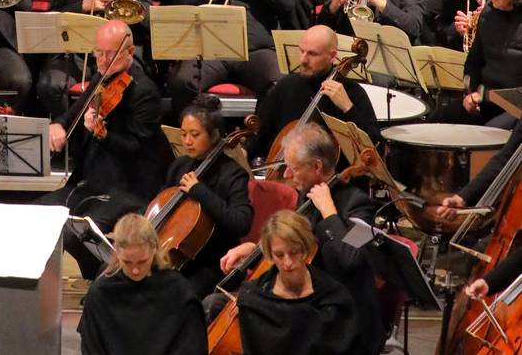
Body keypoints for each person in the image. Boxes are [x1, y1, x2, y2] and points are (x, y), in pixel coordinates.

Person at [225, 128, 382, 355]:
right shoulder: (305, 195)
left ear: (317, 167)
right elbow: (293, 243)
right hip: (307, 303)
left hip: (343, 320)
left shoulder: (362, 206)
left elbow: (351, 260)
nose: (288, 174)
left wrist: (329, 212)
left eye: (294, 167)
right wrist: (256, 248)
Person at [42, 21, 166, 279]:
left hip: (125, 188)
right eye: (98, 52)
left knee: (74, 233)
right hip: (91, 182)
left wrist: (104, 135)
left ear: (130, 52)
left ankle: (101, 279)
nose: (102, 59)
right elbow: (74, 112)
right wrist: (59, 124)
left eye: (110, 53)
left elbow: (134, 148)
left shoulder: (145, 92)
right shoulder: (102, 77)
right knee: (38, 216)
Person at [159, 95, 253, 296]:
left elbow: (241, 223)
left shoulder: (233, 174)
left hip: (215, 262)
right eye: (183, 134)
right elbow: (160, 203)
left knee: (177, 293)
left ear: (214, 135)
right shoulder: (180, 165)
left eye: (194, 134)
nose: (187, 141)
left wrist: (199, 191)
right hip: (179, 256)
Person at [77, 213, 208, 355]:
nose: (135, 270)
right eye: (127, 262)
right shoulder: (101, 293)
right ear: (117, 252)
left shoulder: (179, 290)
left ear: (154, 249)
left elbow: (193, 346)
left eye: (142, 261)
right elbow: (92, 349)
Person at [249, 26, 379, 159]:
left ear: (332, 56)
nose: (303, 60)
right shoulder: (286, 85)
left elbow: (375, 147)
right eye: (302, 51)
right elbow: (260, 137)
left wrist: (348, 108)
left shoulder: (352, 92)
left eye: (312, 54)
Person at [446, 0, 522, 128]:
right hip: (485, 99)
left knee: (489, 132)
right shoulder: (488, 12)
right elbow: (474, 60)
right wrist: (471, 93)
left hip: (516, 107)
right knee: (437, 119)